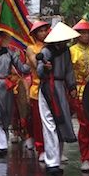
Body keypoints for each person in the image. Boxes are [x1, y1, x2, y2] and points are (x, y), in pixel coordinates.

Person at [37, 22, 79, 175]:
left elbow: (69, 70)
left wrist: (72, 87)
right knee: (49, 124)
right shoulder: (46, 51)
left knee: (61, 122)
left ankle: (57, 159)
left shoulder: (66, 51)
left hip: (60, 89)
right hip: (48, 88)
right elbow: (39, 71)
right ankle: (52, 162)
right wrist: (45, 69)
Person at [69, 19, 89, 173]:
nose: (86, 35)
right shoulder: (72, 50)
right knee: (85, 124)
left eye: (88, 32)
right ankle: (84, 157)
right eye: (82, 32)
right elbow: (68, 71)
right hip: (79, 90)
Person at [26, 20, 51, 161]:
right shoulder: (31, 48)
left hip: (52, 87)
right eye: (40, 31)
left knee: (53, 120)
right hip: (37, 87)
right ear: (35, 34)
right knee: (38, 120)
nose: (43, 33)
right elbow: (35, 64)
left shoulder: (53, 46)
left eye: (44, 30)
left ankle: (54, 148)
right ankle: (40, 147)